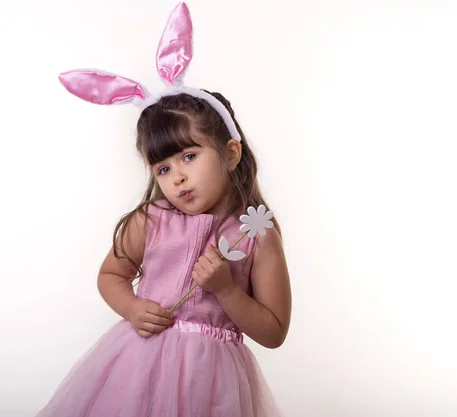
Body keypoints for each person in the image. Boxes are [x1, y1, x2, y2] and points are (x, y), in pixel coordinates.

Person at [37, 4, 291, 416]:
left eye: (189, 156)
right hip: (139, 369)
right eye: (163, 167)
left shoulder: (256, 235)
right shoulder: (150, 220)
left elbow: (274, 331)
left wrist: (226, 290)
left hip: (213, 384)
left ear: (230, 153)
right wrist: (133, 307)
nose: (176, 178)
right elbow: (111, 275)